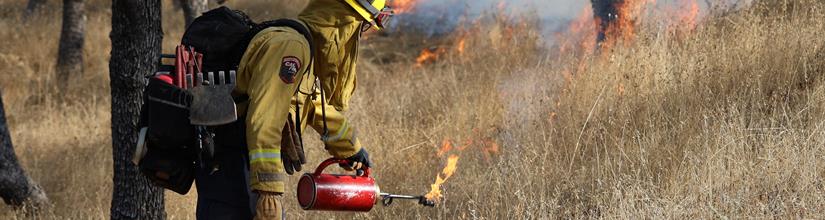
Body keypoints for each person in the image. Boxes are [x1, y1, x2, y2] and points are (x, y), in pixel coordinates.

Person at [194, 0, 393, 219]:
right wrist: (268, 193)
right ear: (343, 20)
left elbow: (312, 100)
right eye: (361, 25)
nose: (359, 35)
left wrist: (349, 147)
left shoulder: (303, 45)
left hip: (238, 164)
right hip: (233, 167)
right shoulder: (291, 47)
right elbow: (264, 120)